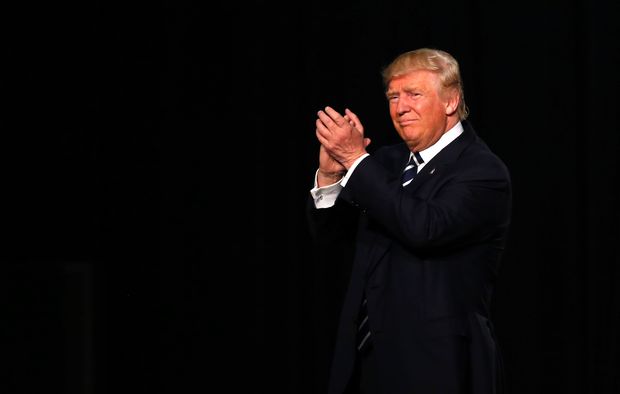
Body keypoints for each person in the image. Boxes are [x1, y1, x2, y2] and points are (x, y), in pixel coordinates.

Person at [306, 48, 512, 394]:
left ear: (450, 101)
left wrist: (356, 159)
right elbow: (333, 241)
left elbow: (424, 228)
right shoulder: (385, 163)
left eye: (414, 94)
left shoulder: (482, 170)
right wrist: (329, 176)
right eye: (393, 97)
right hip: (365, 364)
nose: (400, 108)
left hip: (437, 367)